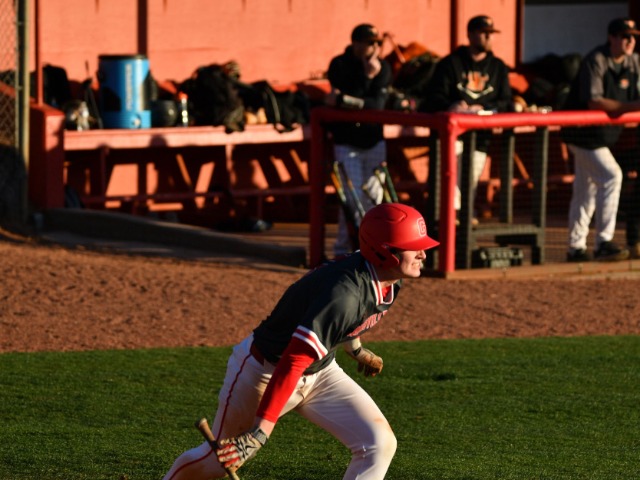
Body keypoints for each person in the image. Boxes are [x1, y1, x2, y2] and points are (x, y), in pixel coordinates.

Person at [162, 203, 439, 480]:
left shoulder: (388, 277)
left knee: (379, 444)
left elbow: (349, 321)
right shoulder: (345, 294)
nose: (423, 254)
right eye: (413, 247)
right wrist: (259, 434)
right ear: (385, 251)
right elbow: (293, 360)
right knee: (216, 461)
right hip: (264, 373)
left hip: (321, 371)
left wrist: (357, 351)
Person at [562, 17, 640, 262]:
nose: (630, 41)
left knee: (585, 190)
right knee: (612, 176)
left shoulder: (634, 62)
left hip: (602, 136)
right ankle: (604, 241)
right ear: (611, 37)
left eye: (633, 37)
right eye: (624, 36)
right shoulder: (596, 60)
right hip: (581, 133)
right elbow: (594, 101)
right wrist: (630, 107)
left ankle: (575, 247)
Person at [422, 15, 513, 223]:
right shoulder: (450, 63)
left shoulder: (498, 66)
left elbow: (506, 101)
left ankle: (463, 218)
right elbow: (433, 97)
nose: (488, 37)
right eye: (484, 33)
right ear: (470, 35)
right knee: (449, 177)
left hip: (480, 135)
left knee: (470, 178)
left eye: (491, 34)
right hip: (452, 134)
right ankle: (449, 219)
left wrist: (485, 108)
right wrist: (453, 105)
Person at [325, 23, 393, 256]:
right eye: (368, 43)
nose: (374, 48)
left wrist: (345, 100)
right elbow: (347, 95)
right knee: (351, 200)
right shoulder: (340, 64)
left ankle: (370, 249)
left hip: (374, 141)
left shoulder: (383, 67)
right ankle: (344, 249)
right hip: (346, 142)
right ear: (355, 43)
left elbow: (377, 105)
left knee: (374, 199)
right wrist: (367, 77)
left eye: (376, 43)